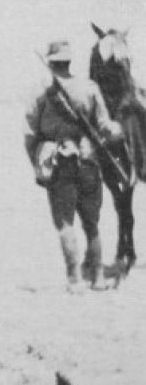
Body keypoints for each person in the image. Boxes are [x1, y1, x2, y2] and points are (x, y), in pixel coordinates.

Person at [24, 40, 122, 292]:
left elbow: (30, 133)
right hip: (89, 160)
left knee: (65, 223)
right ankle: (98, 278)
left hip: (59, 163)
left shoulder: (41, 91)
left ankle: (75, 280)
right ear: (68, 61)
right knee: (91, 224)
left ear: (51, 62)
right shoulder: (89, 88)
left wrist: (36, 162)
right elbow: (105, 126)